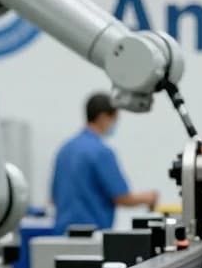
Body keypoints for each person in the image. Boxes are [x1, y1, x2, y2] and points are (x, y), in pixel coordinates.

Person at [51, 93, 159, 234]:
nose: (114, 125)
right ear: (103, 118)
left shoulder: (64, 150)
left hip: (61, 238)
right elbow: (122, 197)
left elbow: (53, 197)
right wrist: (149, 197)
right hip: (91, 239)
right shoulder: (101, 152)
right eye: (114, 119)